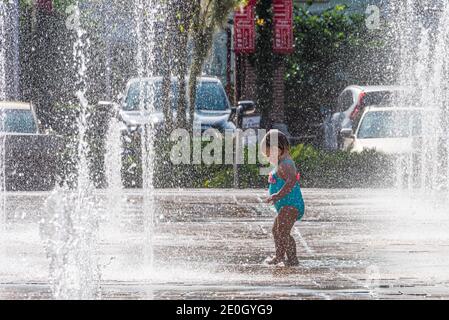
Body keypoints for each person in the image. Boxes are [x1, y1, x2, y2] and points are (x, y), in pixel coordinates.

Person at [260, 130, 305, 266]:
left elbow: (291, 180)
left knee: (282, 231)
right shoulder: (282, 163)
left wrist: (277, 195)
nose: (268, 158)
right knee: (277, 230)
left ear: (277, 150)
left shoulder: (286, 164)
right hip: (286, 205)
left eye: (268, 154)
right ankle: (286, 258)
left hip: (291, 205)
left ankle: (285, 258)